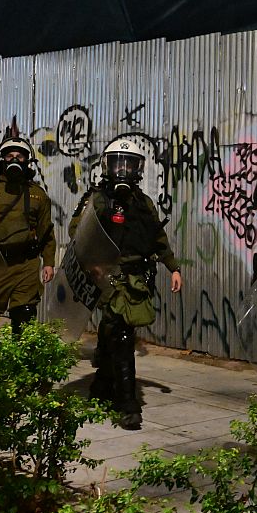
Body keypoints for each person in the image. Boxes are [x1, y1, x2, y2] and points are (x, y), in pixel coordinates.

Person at [70, 136, 182, 430]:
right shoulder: (97, 200)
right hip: (109, 278)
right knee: (121, 336)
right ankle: (128, 404)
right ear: (106, 166)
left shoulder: (143, 203)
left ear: (138, 169)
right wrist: (93, 263)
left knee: (114, 332)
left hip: (137, 280)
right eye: (118, 163)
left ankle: (100, 387)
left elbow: (158, 238)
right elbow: (77, 233)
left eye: (129, 164)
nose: (123, 170)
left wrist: (173, 267)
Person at [0, 137, 56, 334]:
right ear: (2, 159)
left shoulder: (38, 194)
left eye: (20, 156)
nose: (14, 160)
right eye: (9, 156)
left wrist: (49, 262)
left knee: (24, 315)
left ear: (27, 160)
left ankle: (21, 354)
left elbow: (46, 231)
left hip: (26, 264)